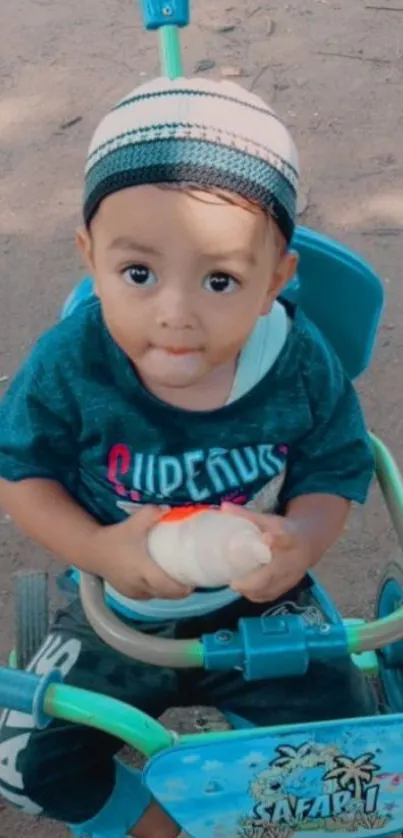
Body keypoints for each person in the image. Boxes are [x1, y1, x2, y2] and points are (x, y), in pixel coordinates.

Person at [0, 76, 376, 838]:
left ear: (275, 278)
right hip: (118, 605)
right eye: (137, 274)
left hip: (263, 605)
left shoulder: (297, 362)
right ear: (90, 256)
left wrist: (299, 542)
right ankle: (159, 824)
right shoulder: (72, 361)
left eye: (219, 280)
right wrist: (96, 547)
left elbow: (335, 467)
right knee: (24, 767)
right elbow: (21, 471)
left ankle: (278, 813)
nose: (175, 312)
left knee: (357, 759)